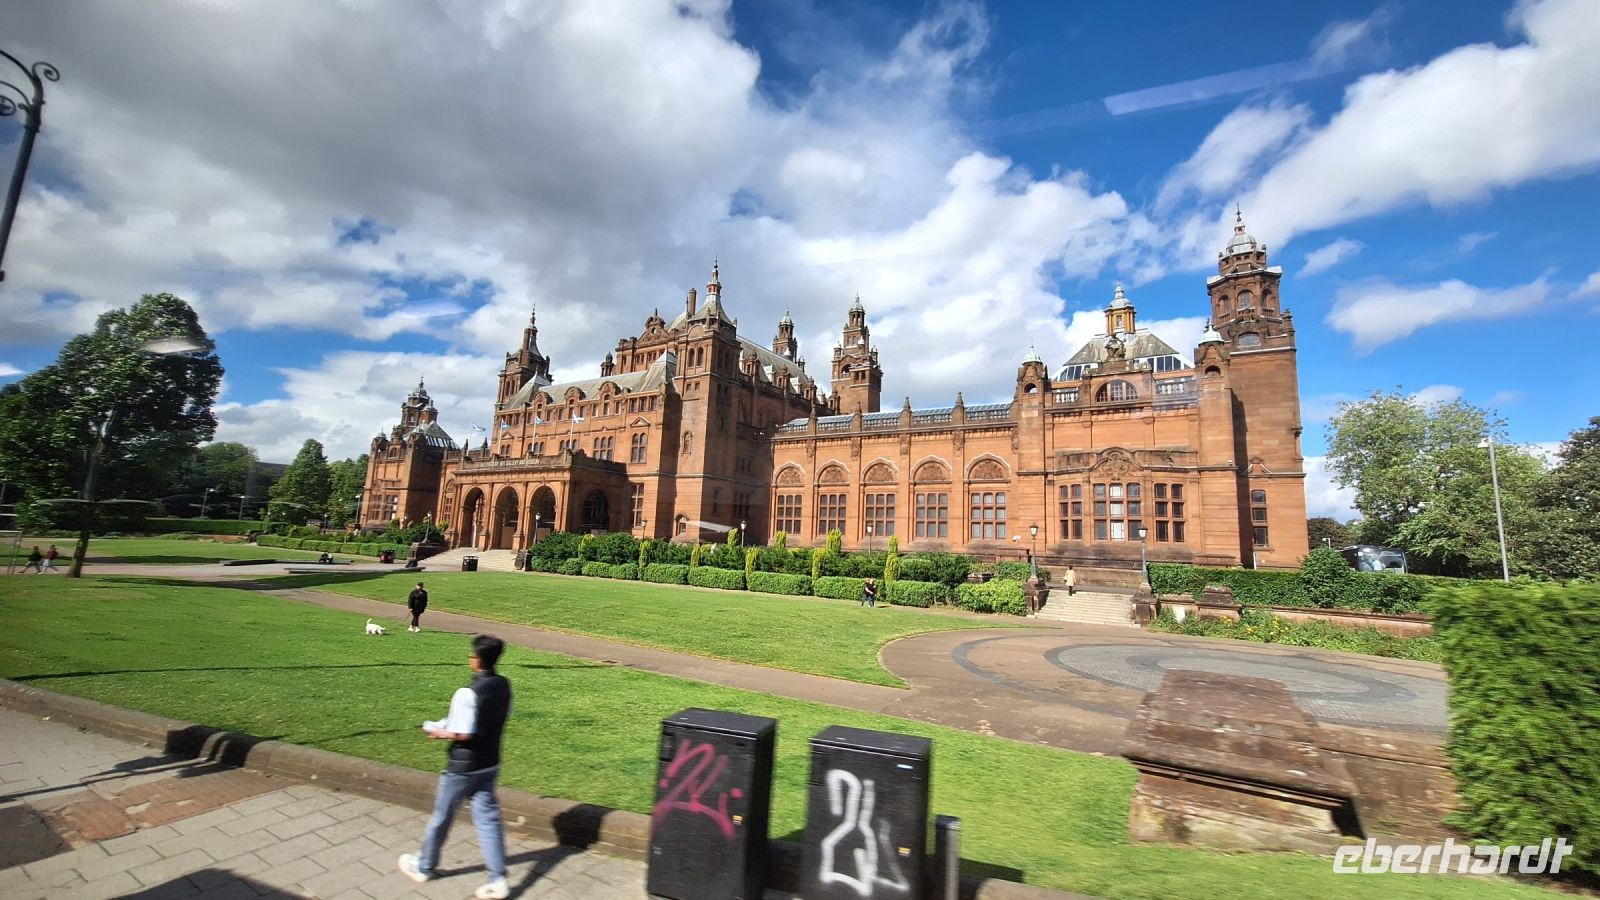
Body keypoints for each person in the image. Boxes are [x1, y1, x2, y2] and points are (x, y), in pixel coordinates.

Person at [399, 634, 513, 900]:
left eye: (472, 655)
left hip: (462, 767)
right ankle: (498, 878)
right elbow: (498, 718)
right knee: (488, 820)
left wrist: (439, 732)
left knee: (442, 817)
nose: (470, 659)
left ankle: (424, 866)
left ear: (478, 661)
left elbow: (464, 733)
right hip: (490, 762)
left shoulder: (466, 693)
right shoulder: (504, 686)